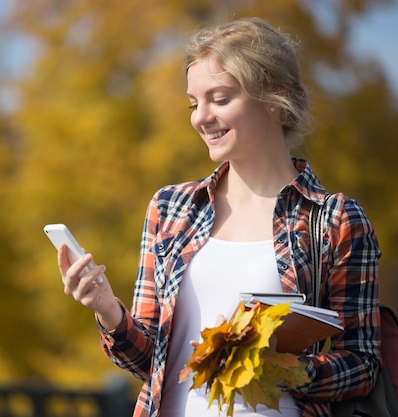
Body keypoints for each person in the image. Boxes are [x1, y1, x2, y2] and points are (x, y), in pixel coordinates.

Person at [58, 17, 381, 417]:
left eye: (220, 99)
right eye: (194, 103)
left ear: (274, 96)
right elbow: (149, 365)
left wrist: (279, 367)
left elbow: (363, 364)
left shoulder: (334, 220)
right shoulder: (171, 208)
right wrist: (107, 309)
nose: (200, 117)